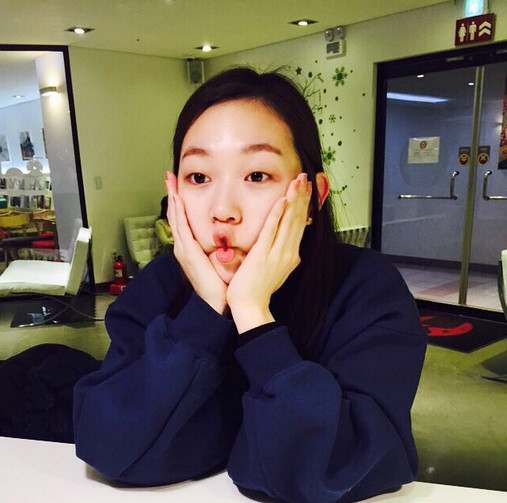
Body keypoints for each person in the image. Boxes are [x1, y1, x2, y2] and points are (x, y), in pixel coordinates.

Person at [74, 67, 427, 503]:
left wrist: (254, 316)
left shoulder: (367, 289)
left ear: (313, 198)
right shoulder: (161, 284)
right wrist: (207, 308)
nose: (223, 210)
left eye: (257, 175)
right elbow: (109, 446)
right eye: (199, 177)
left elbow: (338, 469)